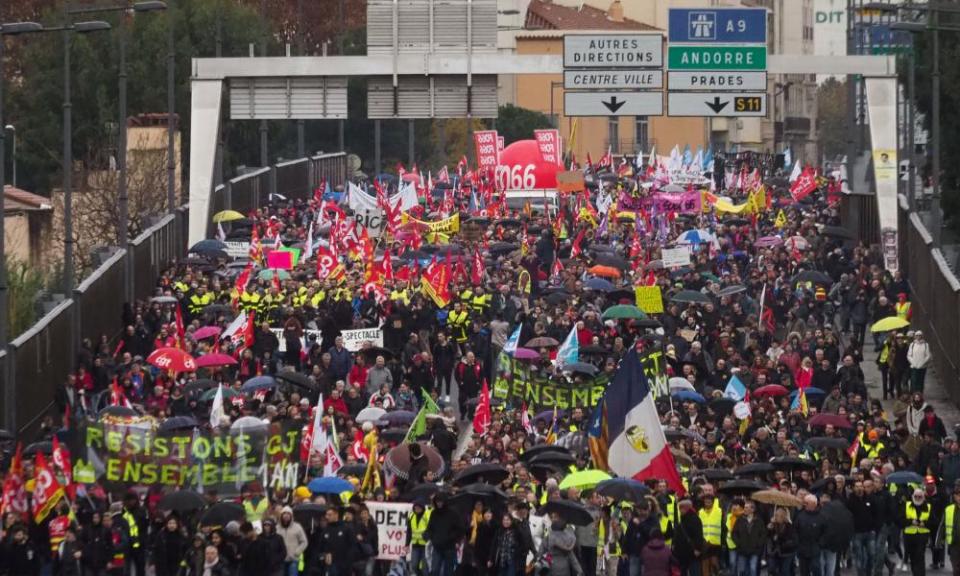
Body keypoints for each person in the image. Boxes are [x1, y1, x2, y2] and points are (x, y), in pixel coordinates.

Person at [426, 493, 465, 576]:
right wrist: (432, 537)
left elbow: (460, 529)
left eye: (440, 501)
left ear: (445, 502)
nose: (439, 503)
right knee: (435, 570)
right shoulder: (434, 513)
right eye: (437, 502)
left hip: (449, 547)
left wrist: (451, 538)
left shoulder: (453, 514)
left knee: (448, 571)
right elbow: (430, 527)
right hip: (437, 547)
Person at [902, 489, 934, 576]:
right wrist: (911, 521)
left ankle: (920, 574)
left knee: (919, 556)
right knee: (912, 557)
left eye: (920, 497)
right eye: (915, 496)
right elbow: (900, 520)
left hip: (922, 535)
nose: (917, 498)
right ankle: (915, 573)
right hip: (909, 535)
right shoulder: (907, 505)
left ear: (923, 497)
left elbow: (934, 521)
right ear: (913, 496)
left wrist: (925, 523)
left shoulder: (928, 506)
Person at [317, 507, 354, 576]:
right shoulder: (325, 530)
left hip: (343, 566)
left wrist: (348, 564)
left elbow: (352, 547)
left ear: (336, 515)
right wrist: (324, 556)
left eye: (329, 515)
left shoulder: (346, 528)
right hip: (329, 566)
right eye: (326, 515)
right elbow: (320, 548)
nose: (327, 517)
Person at [731, 501, 765, 576]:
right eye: (744, 507)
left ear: (752, 509)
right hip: (742, 550)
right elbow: (734, 533)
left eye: (746, 507)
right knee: (742, 570)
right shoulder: (740, 519)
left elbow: (763, 534)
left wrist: (758, 544)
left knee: (753, 569)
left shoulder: (759, 520)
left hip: (754, 550)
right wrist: (739, 543)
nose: (744, 509)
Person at [795, 495, 823, 576]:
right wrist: (798, 543)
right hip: (802, 547)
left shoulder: (821, 516)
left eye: (807, 503)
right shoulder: (800, 515)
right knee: (804, 571)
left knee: (816, 568)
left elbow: (825, 531)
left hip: (815, 547)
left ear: (814, 504)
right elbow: (795, 530)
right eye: (805, 502)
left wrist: (820, 543)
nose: (805, 504)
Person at [277, 506, 308, 576]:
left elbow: (304, 542)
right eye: (284, 513)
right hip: (281, 560)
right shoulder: (277, 528)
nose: (286, 515)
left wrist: (297, 552)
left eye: (288, 513)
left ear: (291, 516)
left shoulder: (297, 527)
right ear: (281, 515)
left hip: (293, 559)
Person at [767, 507, 798, 576]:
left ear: (784, 516)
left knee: (785, 571)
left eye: (779, 515)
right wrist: (769, 529)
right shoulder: (773, 525)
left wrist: (780, 539)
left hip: (787, 552)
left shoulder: (790, 526)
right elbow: (768, 537)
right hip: (775, 551)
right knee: (771, 568)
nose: (777, 517)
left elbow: (794, 541)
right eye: (776, 515)